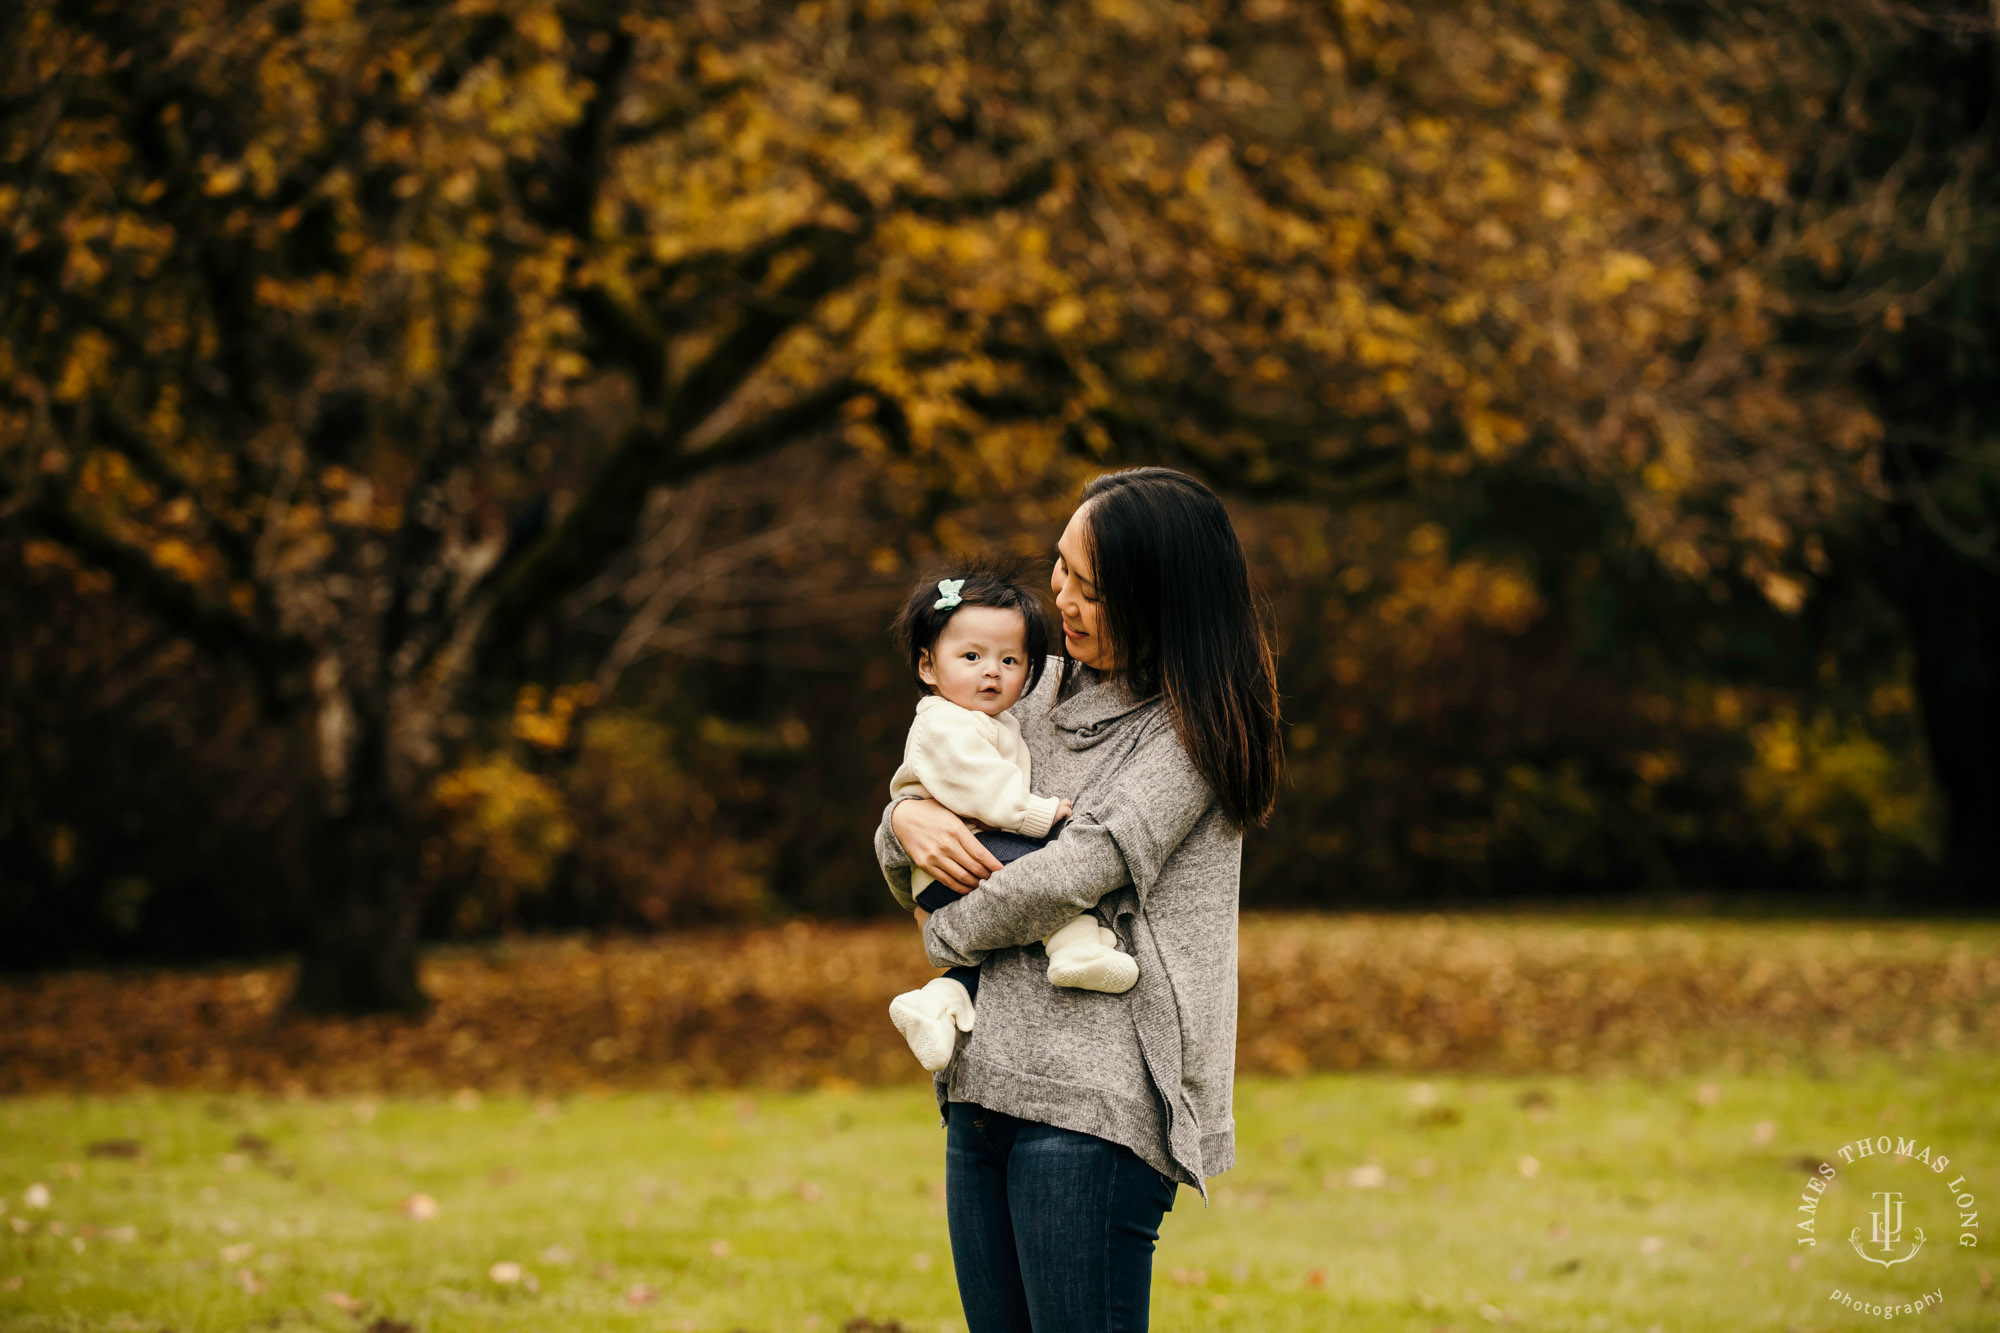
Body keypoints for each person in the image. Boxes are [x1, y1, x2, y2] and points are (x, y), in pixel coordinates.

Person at [874, 467, 1283, 1333]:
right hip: (983, 1087)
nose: (1059, 595)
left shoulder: (1188, 734)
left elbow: (1073, 868)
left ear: (1158, 599)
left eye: (1091, 588)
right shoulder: (1033, 683)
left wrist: (944, 932)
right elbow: (946, 779)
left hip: (1093, 1111)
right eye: (1061, 568)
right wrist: (903, 818)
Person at [882, 564, 1141, 1073]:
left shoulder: (994, 716)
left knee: (989, 953)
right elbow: (979, 784)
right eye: (971, 657)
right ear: (928, 668)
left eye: (1009, 660)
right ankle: (1074, 949)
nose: (991, 671)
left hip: (957, 863)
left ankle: (939, 1002)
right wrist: (1037, 816)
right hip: (964, 855)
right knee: (1044, 863)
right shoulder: (943, 722)